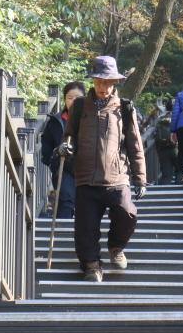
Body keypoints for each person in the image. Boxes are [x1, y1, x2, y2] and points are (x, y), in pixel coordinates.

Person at [56, 56, 147, 282]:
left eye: (108, 82)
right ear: (93, 81)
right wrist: (65, 147)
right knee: (85, 227)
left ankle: (116, 247)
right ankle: (92, 266)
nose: (103, 87)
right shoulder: (79, 106)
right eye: (99, 82)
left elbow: (135, 144)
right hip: (85, 175)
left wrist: (140, 178)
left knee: (128, 213)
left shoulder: (124, 108)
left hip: (116, 176)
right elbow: (69, 136)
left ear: (115, 82)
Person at [40, 81, 85, 218]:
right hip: (63, 168)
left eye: (77, 98)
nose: (73, 101)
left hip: (88, 170)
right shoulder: (55, 122)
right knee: (65, 200)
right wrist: (57, 153)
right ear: (64, 100)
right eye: (70, 98)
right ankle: (62, 235)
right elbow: (46, 152)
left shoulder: (93, 119)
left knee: (86, 206)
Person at [154, 96, 176, 185]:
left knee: (166, 174)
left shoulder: (160, 118)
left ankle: (163, 190)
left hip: (162, 148)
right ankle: (180, 192)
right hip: (176, 147)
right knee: (179, 171)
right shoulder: (179, 117)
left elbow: (155, 133)